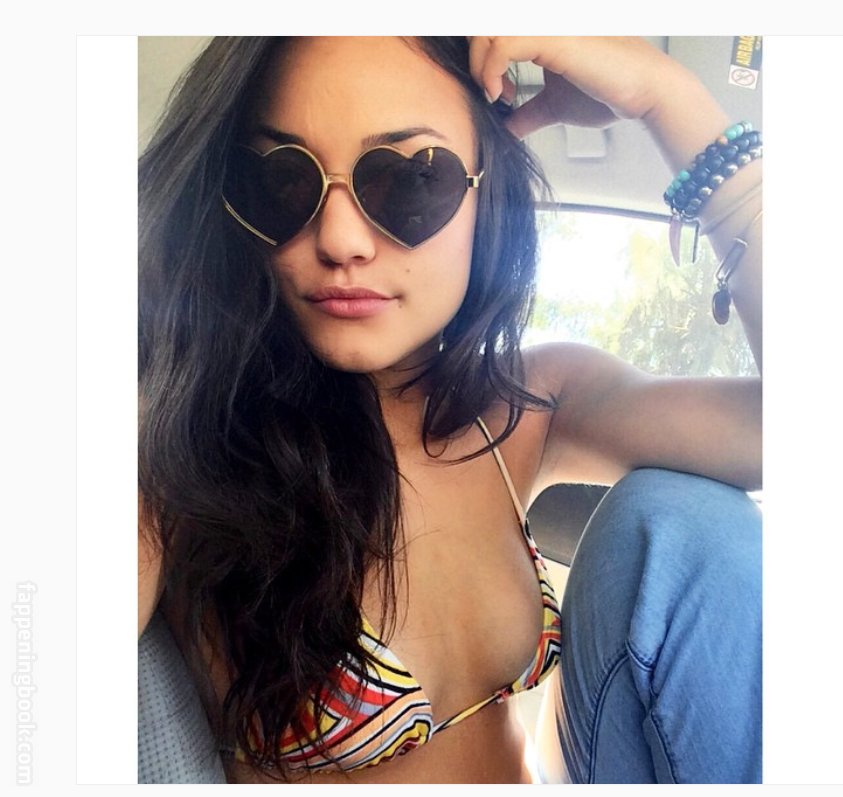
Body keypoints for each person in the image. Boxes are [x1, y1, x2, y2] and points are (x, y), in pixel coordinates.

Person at [138, 36, 762, 784]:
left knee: (685, 523)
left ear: (484, 191)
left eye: (411, 177)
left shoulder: (525, 403)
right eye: (282, 181)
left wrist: (666, 96)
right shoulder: (176, 440)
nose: (339, 239)